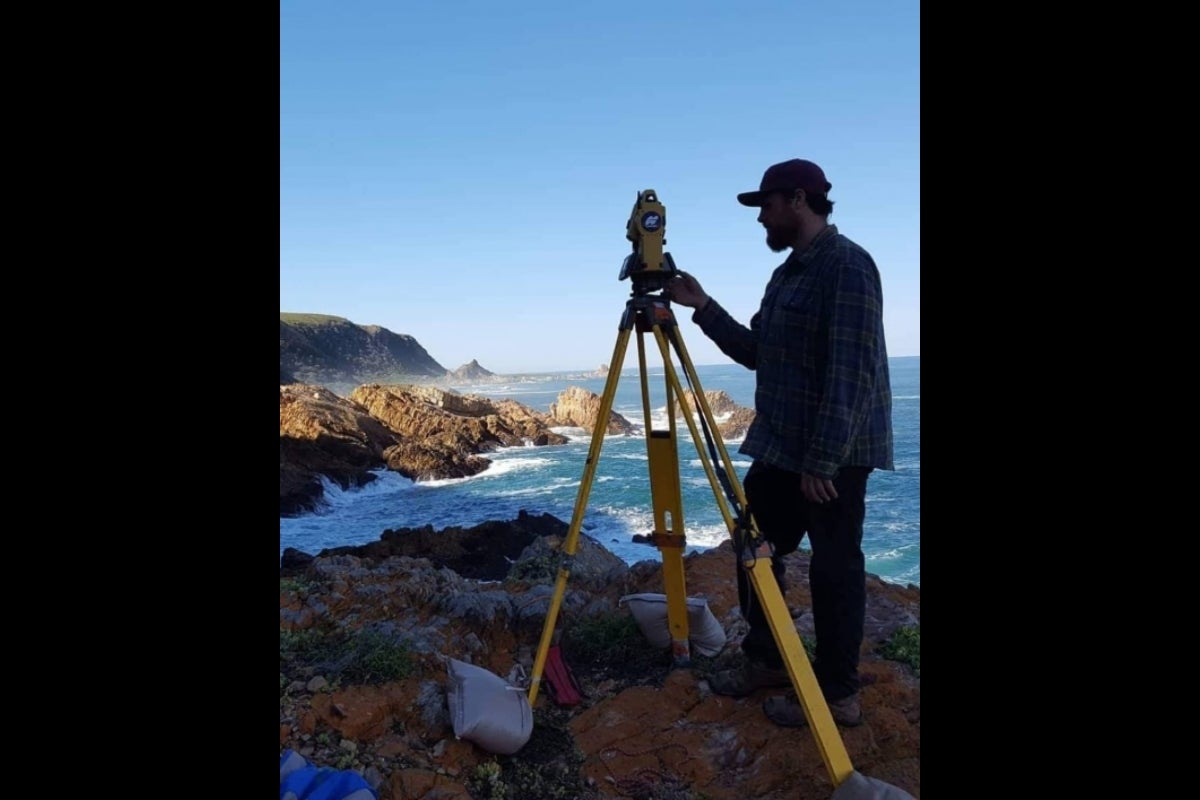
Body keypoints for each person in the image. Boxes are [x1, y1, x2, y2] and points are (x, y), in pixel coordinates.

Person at [666, 158, 894, 728]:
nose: (760, 218)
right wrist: (703, 307)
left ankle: (838, 695)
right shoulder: (787, 274)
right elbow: (758, 352)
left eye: (765, 206)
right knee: (754, 548)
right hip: (781, 447)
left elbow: (853, 371)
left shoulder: (847, 266)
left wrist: (824, 460)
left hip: (831, 456)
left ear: (798, 200)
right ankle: (766, 659)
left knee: (834, 569)